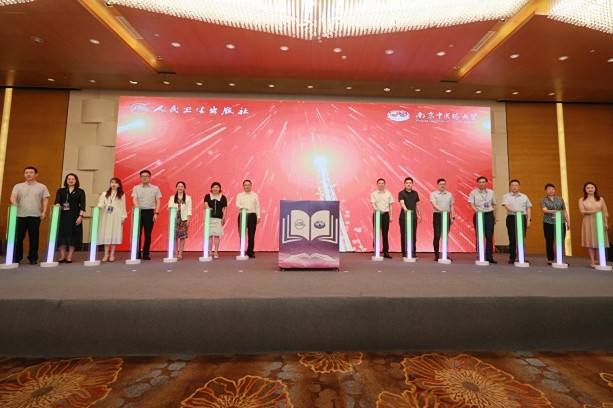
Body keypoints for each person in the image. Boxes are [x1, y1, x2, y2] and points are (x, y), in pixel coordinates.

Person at [10, 166, 50, 264]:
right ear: (24, 174)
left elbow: (45, 199)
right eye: (26, 173)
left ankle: (33, 258)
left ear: (36, 174)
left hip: (35, 215)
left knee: (34, 238)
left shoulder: (42, 187)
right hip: (20, 215)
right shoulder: (18, 186)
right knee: (18, 238)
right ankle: (17, 258)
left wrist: (44, 212)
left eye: (31, 172)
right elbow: (13, 196)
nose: (28, 174)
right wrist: (14, 204)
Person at [54, 173, 86, 263]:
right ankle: (62, 256)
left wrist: (80, 216)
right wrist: (57, 205)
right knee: (62, 236)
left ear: (76, 180)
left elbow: (83, 205)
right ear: (66, 180)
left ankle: (69, 256)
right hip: (63, 215)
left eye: (73, 179)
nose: (70, 180)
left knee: (73, 236)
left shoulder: (80, 191)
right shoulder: (61, 191)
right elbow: (57, 201)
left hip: (75, 215)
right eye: (69, 179)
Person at [132, 170, 162, 260]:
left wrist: (156, 213)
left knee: (148, 234)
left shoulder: (155, 188)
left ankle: (146, 254)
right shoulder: (136, 188)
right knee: (137, 234)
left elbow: (158, 201)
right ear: (140, 178)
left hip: (150, 212)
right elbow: (134, 199)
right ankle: (137, 253)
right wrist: (138, 209)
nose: (145, 178)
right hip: (139, 212)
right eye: (143, 176)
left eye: (147, 176)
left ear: (150, 177)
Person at [502, 179, 532, 264]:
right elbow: (506, 206)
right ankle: (512, 257)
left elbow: (528, 208)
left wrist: (528, 220)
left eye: (516, 185)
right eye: (512, 185)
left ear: (519, 186)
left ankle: (521, 257)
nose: (514, 187)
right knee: (512, 238)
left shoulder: (524, 196)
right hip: (511, 218)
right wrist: (516, 211)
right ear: (510, 187)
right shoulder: (506, 196)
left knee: (521, 238)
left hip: (522, 218)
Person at [579, 182, 609, 267]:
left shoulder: (601, 199)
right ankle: (592, 260)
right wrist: (594, 212)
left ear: (595, 189)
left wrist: (606, 223)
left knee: (599, 241)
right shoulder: (582, 200)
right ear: (585, 190)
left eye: (592, 187)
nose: (590, 189)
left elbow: (605, 212)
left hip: (599, 221)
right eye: (588, 188)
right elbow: (582, 211)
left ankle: (600, 260)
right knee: (590, 241)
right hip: (588, 221)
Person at [468, 176, 498, 263]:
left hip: (489, 215)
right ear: (478, 183)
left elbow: (494, 204)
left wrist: (494, 216)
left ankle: (489, 256)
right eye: (480, 182)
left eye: (483, 182)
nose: (481, 184)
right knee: (479, 235)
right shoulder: (473, 192)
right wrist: (477, 212)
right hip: (479, 215)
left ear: (486, 183)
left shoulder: (491, 192)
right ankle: (480, 254)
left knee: (489, 236)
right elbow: (471, 204)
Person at [97, 177, 127, 262]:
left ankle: (112, 254)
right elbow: (100, 203)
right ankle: (106, 254)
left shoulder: (121, 194)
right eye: (112, 182)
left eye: (116, 183)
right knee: (106, 234)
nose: (113, 184)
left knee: (114, 234)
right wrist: (98, 207)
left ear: (119, 185)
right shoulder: (104, 193)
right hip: (106, 215)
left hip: (116, 216)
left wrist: (123, 216)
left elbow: (123, 206)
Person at [540, 183, 570, 265]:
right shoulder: (543, 200)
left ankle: (560, 258)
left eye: (552, 189)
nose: (551, 191)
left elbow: (564, 211)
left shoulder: (560, 199)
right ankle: (550, 259)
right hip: (548, 222)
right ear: (546, 191)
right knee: (549, 240)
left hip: (560, 221)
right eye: (549, 189)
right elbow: (544, 210)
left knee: (560, 240)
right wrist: (555, 211)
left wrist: (568, 221)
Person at [430, 178, 455, 261]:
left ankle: (445, 254)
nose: (442, 185)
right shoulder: (433, 194)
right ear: (438, 185)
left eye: (444, 184)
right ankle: (436, 255)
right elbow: (434, 204)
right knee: (437, 235)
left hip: (447, 215)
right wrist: (442, 211)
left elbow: (452, 206)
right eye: (441, 184)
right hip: (437, 215)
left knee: (445, 236)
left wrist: (452, 217)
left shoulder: (449, 194)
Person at [235, 179, 260, 258]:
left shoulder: (255, 195)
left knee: (251, 234)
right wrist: (243, 208)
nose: (247, 186)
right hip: (243, 214)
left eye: (248, 185)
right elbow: (237, 204)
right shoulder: (239, 195)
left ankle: (250, 251)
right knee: (242, 234)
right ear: (243, 186)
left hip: (252, 215)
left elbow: (257, 206)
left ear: (251, 186)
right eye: (245, 185)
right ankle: (242, 250)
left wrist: (258, 216)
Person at [168, 181, 192, 259]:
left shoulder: (188, 198)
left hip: (183, 219)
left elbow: (189, 209)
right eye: (178, 186)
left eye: (182, 186)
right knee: (174, 236)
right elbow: (169, 208)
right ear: (176, 187)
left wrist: (188, 219)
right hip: (174, 219)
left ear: (184, 188)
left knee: (182, 237)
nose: (180, 188)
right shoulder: (172, 197)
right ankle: (175, 252)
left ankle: (180, 253)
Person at [370, 178, 394, 258]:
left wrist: (391, 215)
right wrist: (377, 210)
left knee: (385, 234)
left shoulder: (388, 194)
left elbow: (391, 205)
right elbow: (373, 204)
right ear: (377, 184)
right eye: (379, 183)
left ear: (384, 184)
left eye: (382, 183)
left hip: (386, 215)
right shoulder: (374, 194)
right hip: (377, 215)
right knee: (376, 234)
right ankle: (376, 251)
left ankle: (386, 252)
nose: (381, 184)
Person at [398, 177, 421, 258]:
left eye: (410, 183)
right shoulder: (401, 193)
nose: (408, 184)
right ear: (404, 184)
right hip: (404, 217)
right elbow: (402, 203)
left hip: (413, 217)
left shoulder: (415, 193)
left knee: (413, 235)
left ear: (412, 184)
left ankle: (413, 252)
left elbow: (417, 205)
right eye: (407, 183)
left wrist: (419, 214)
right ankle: (404, 253)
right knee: (404, 235)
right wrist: (406, 210)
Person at [204, 182, 227, 259]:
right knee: (209, 236)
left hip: (218, 219)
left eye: (217, 187)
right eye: (214, 187)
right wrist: (208, 208)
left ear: (220, 189)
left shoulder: (223, 197)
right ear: (211, 188)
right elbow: (205, 204)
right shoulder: (207, 196)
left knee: (217, 236)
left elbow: (225, 208)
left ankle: (216, 251)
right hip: (209, 218)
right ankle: (210, 252)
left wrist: (223, 218)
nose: (215, 188)